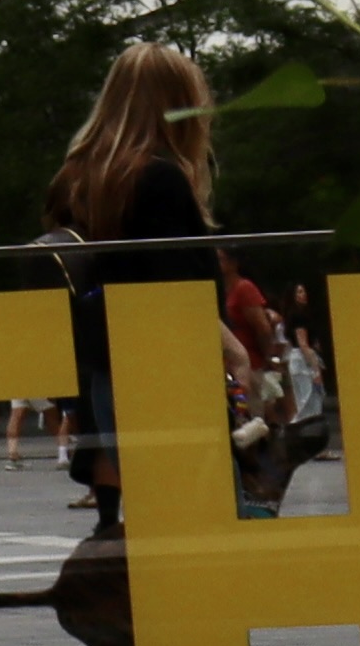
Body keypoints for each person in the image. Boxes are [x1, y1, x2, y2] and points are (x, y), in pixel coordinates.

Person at [43, 45, 230, 521]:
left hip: (106, 366)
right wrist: (234, 350)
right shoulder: (160, 178)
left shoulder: (77, 177)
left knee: (154, 507)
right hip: (167, 371)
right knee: (197, 509)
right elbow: (175, 289)